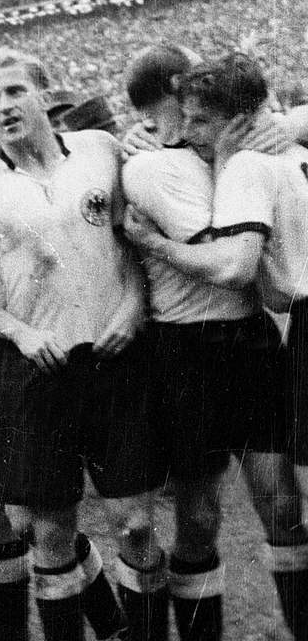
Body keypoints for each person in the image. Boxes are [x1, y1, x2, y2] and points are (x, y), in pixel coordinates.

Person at [0, 49, 165, 641]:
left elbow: (135, 239)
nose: (4, 106)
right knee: (49, 532)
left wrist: (132, 307)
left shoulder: (99, 152)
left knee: (136, 525)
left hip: (114, 360)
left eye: (14, 92)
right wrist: (17, 330)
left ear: (44, 95)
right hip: (40, 369)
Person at [122, 51, 308, 640]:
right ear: (168, 101)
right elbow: (228, 259)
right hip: (187, 352)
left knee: (280, 503)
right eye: (193, 103)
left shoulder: (235, 153)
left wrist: (281, 127)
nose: (207, 115)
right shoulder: (155, 169)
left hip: (250, 341)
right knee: (199, 517)